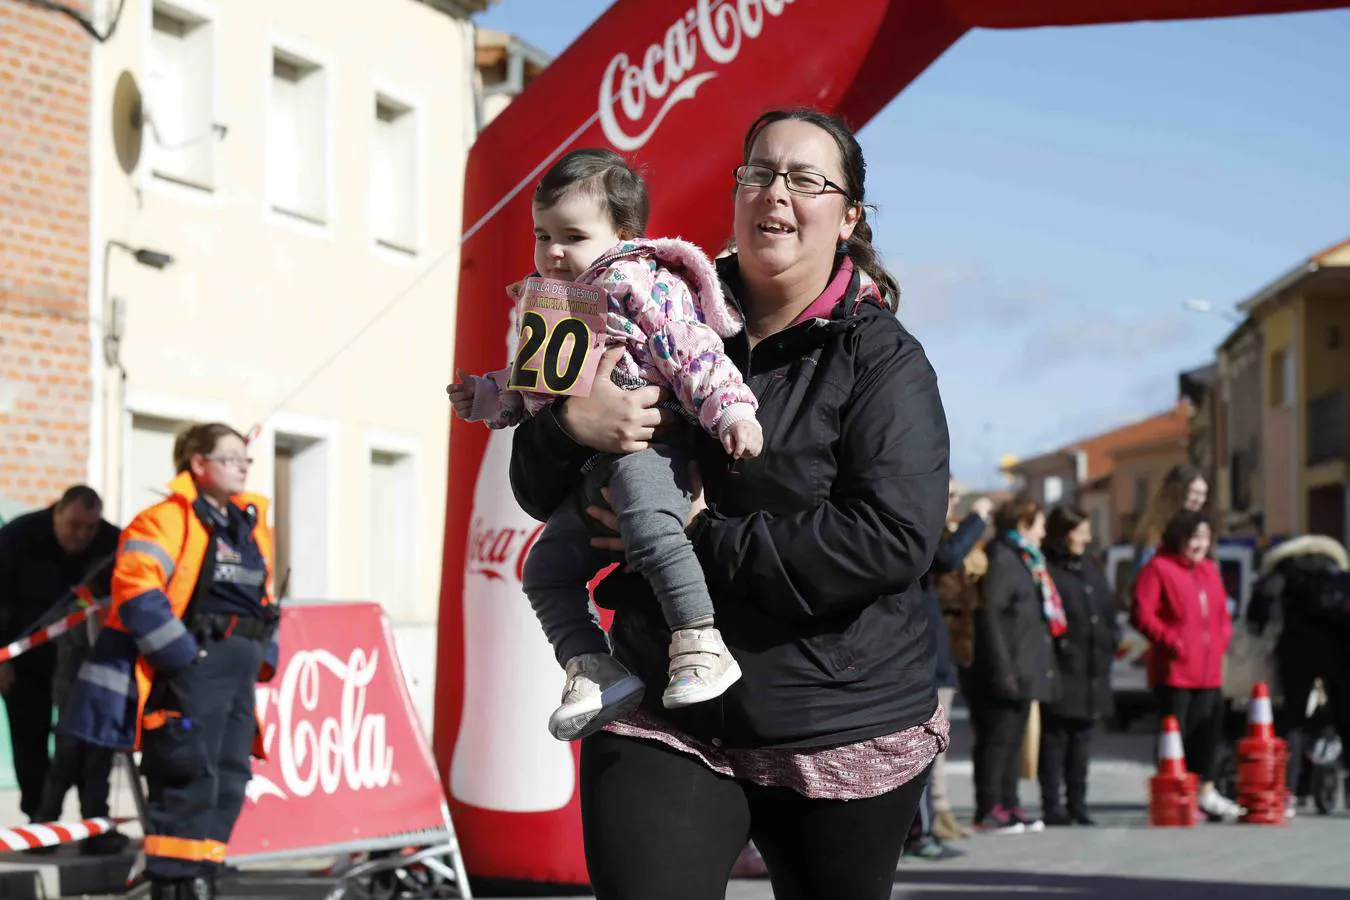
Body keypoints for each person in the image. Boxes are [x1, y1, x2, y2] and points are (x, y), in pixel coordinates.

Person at [506, 108, 950, 899]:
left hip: (836, 720)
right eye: (759, 173)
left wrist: (699, 535)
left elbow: (891, 540)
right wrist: (574, 426)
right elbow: (534, 489)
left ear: (848, 216)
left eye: (807, 179)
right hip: (668, 714)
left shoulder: (883, 358)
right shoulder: (642, 296)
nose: (777, 193)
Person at [448, 148, 761, 739]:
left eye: (572, 235)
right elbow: (534, 388)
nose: (554, 251)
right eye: (543, 235)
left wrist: (732, 411)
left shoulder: (637, 280)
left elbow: (690, 349)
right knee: (543, 567)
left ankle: (699, 639)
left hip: (652, 449)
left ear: (621, 234)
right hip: (592, 464)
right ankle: (593, 666)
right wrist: (487, 397)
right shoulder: (552, 300)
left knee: (647, 523)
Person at [61, 423, 281, 899]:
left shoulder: (248, 523)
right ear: (198, 464)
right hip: (192, 670)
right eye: (230, 457)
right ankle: (176, 883)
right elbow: (137, 591)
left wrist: (264, 653)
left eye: (245, 458)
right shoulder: (164, 519)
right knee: (187, 773)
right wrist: (184, 658)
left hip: (236, 676)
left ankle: (203, 875)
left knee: (229, 778)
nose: (243, 465)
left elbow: (261, 597)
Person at [0, 485, 119, 825]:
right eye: (73, 525)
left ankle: (93, 820)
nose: (81, 535)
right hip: (25, 657)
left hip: (85, 662)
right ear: (57, 513)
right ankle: (38, 818)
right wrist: (3, 658)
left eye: (89, 528)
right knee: (29, 737)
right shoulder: (18, 537)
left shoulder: (110, 543)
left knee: (87, 745)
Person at [1131, 509, 1241, 822]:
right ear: (1179, 539)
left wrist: (1221, 641)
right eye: (1194, 538)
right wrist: (1172, 641)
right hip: (1175, 672)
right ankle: (1174, 795)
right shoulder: (1158, 569)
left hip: (1209, 671)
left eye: (1205, 538)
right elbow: (1142, 613)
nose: (1200, 545)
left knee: (1208, 735)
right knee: (1176, 736)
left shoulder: (1209, 570)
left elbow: (1221, 615)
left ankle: (1205, 791)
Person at [965, 495, 1062, 834]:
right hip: (1003, 667)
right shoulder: (1003, 558)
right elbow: (990, 615)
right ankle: (989, 808)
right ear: (1024, 523)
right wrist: (1001, 667)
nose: (1044, 531)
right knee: (997, 739)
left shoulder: (1024, 558)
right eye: (1040, 524)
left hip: (1022, 665)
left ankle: (1009, 802)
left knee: (1014, 740)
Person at [908, 484, 992, 856]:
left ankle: (933, 822)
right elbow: (946, 557)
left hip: (939, 654)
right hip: (923, 655)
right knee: (925, 749)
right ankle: (922, 831)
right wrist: (979, 520)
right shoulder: (921, 529)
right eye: (949, 496)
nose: (953, 505)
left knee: (935, 749)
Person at [1247, 534, 1350, 814]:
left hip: (1297, 653)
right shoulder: (1336, 570)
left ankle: (1286, 790)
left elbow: (1260, 609)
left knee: (1292, 719)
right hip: (1339, 654)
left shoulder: (1284, 571)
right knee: (1345, 718)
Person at [1039, 505, 1115, 826]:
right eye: (1080, 531)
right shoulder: (1047, 571)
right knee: (1055, 741)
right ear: (1063, 533)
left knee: (1082, 741)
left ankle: (1078, 802)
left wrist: (1110, 639)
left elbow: (1107, 610)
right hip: (1061, 668)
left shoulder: (1089, 569)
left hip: (1091, 670)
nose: (1086, 538)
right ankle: (1053, 805)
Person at [1132, 464, 1208, 570]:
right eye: (1194, 493)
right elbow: (1144, 573)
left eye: (1203, 494)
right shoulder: (1154, 532)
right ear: (1176, 493)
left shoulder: (1202, 530)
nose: (1199, 500)